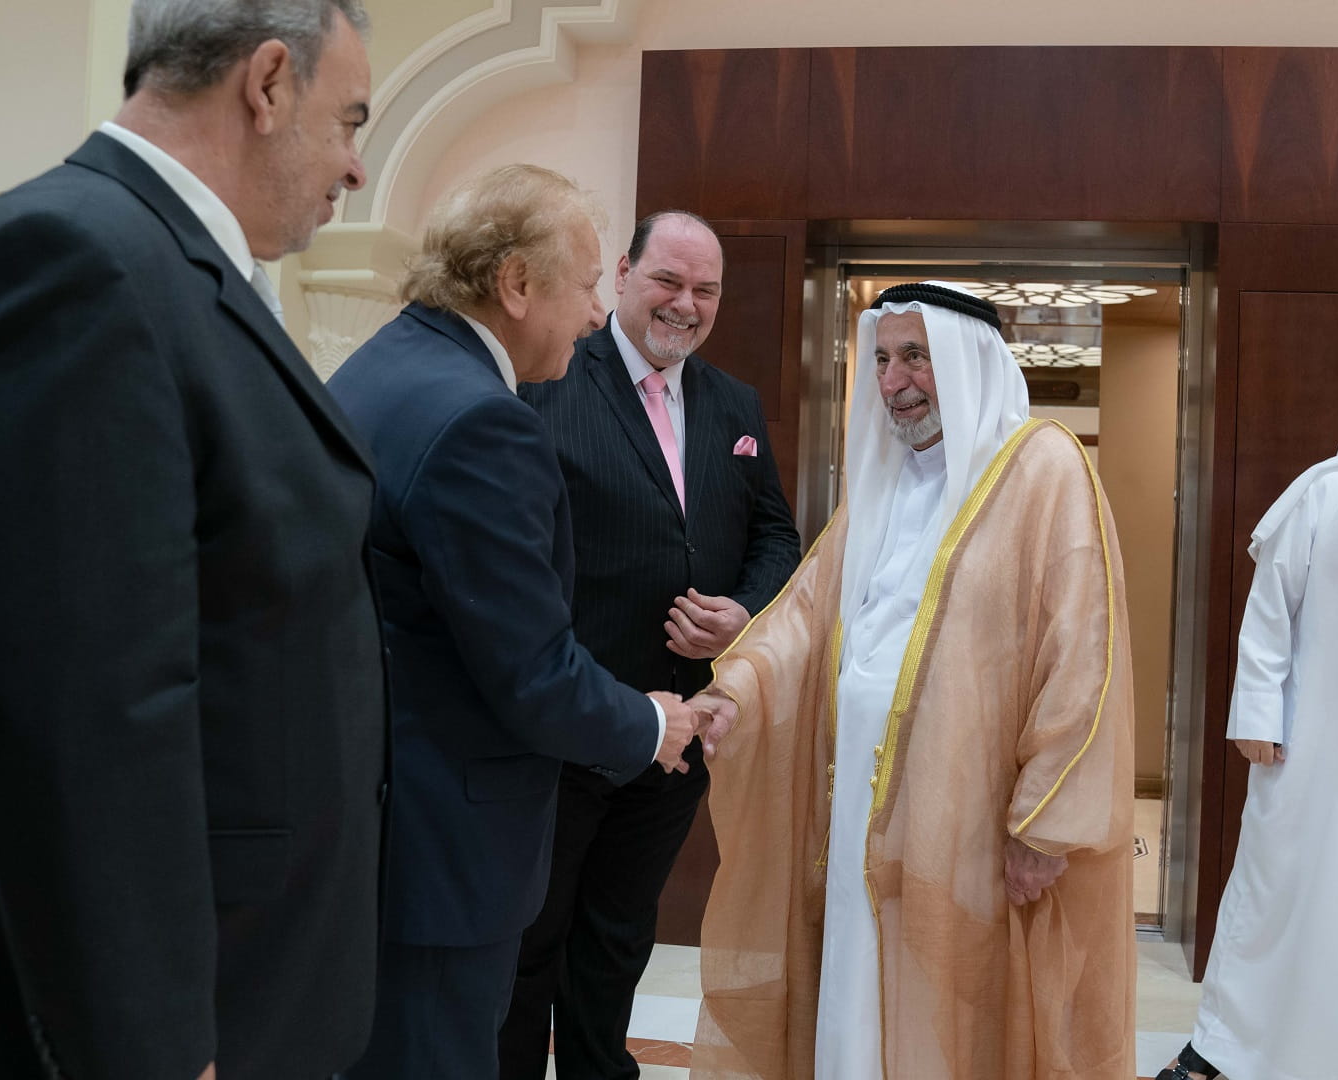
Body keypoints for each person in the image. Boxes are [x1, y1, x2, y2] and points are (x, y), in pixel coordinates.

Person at [0, 2, 385, 1077]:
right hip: (166, 1008)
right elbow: (76, 707)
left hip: (248, 972)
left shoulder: (168, 267)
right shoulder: (74, 262)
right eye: (350, 120)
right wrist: (152, 1046)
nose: (355, 166)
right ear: (268, 83)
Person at [684, 282, 1137, 1079]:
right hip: (857, 808)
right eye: (883, 360)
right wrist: (735, 692)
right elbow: (805, 616)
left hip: (972, 816)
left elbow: (1082, 653)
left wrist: (1045, 822)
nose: (893, 382)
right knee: (858, 982)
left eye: (916, 358)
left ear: (965, 363)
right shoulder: (886, 482)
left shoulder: (1043, 468)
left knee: (954, 997)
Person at [327, 165, 698, 1078]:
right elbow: (529, 670)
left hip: (369, 821)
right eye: (586, 288)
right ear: (517, 283)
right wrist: (652, 723)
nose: (593, 316)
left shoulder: (381, 367)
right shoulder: (482, 422)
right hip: (441, 852)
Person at [499, 210, 800, 1079]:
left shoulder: (734, 403)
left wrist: (743, 612)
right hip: (568, 726)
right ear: (625, 273)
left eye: (706, 290)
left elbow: (776, 538)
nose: (686, 304)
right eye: (668, 280)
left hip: (678, 740)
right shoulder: (549, 380)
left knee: (619, 935)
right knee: (529, 940)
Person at [1161, 448, 1338, 1080]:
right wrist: (1258, 708)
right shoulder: (1327, 492)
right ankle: (1225, 1046)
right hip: (1311, 741)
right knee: (1275, 888)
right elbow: (1271, 605)